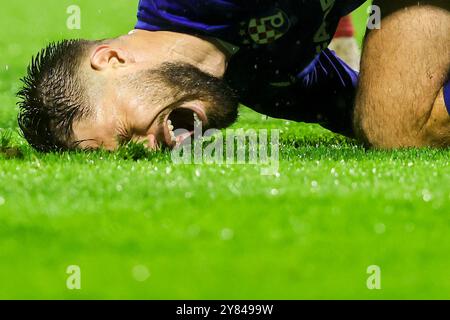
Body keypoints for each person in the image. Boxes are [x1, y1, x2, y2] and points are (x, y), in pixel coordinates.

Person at [17, 0, 449, 152]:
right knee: (391, 123)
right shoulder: (254, 80)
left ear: (111, 59)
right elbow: (374, 104)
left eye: (127, 131)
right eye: (134, 152)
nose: (152, 148)